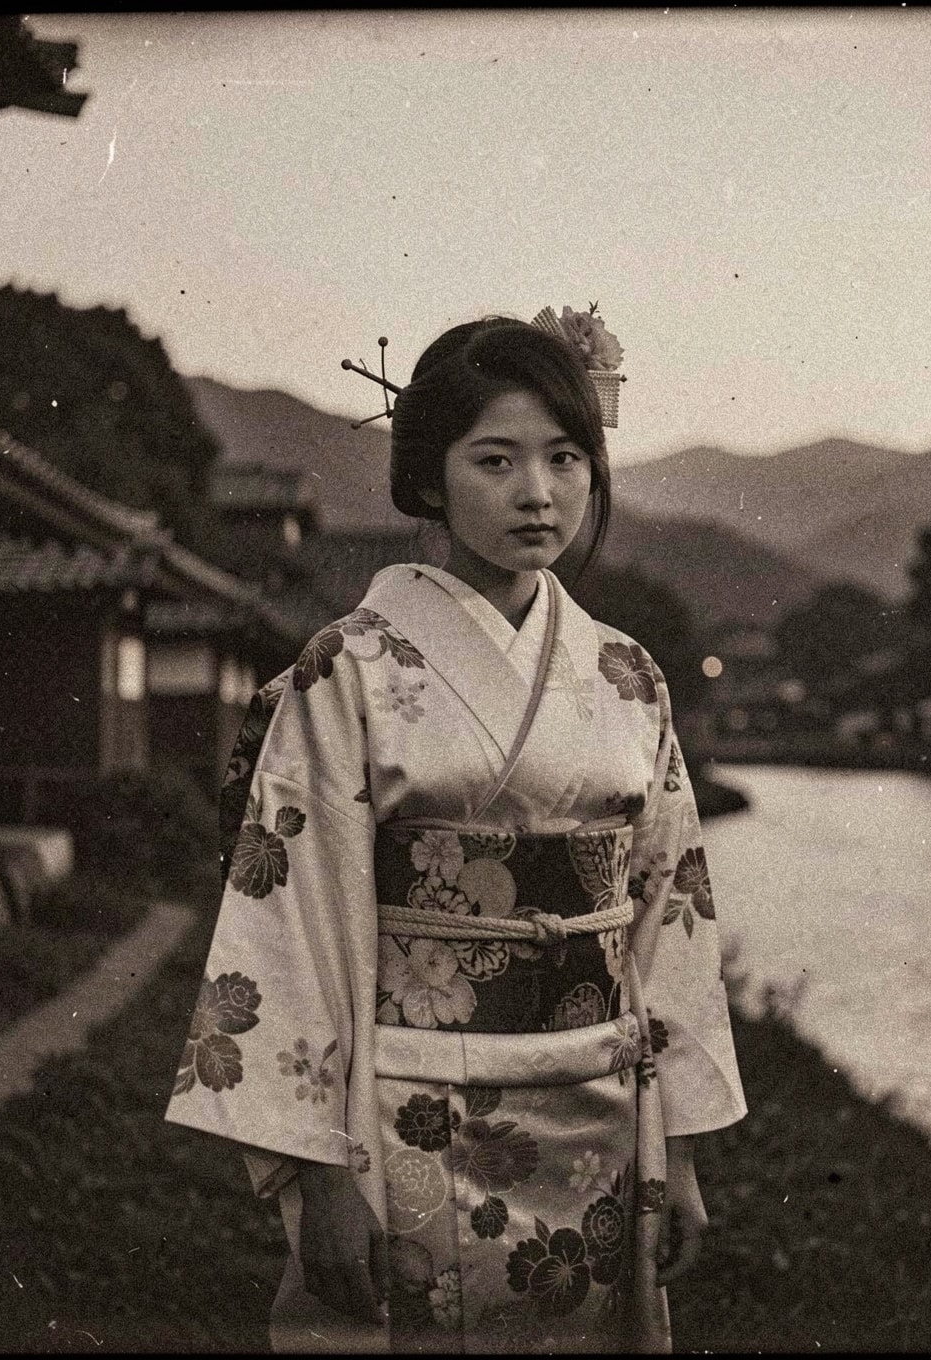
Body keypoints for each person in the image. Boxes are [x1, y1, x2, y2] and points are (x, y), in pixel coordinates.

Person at [165, 313, 745, 1352]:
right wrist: (317, 1173)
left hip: (602, 1115)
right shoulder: (347, 670)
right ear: (426, 478)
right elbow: (288, 919)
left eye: (566, 458)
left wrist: (684, 1156)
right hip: (409, 1112)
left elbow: (672, 916)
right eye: (495, 460)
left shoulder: (627, 674)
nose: (539, 492)